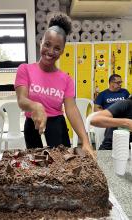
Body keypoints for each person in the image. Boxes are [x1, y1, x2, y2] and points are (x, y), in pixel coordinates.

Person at [14, 12, 94, 158]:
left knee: (61, 167)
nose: (50, 51)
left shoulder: (66, 79)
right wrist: (36, 106)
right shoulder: (25, 70)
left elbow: (72, 110)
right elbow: (21, 100)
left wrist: (85, 141)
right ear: (41, 43)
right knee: (38, 168)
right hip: (33, 126)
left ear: (62, 51)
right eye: (47, 44)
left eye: (57, 48)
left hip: (57, 127)